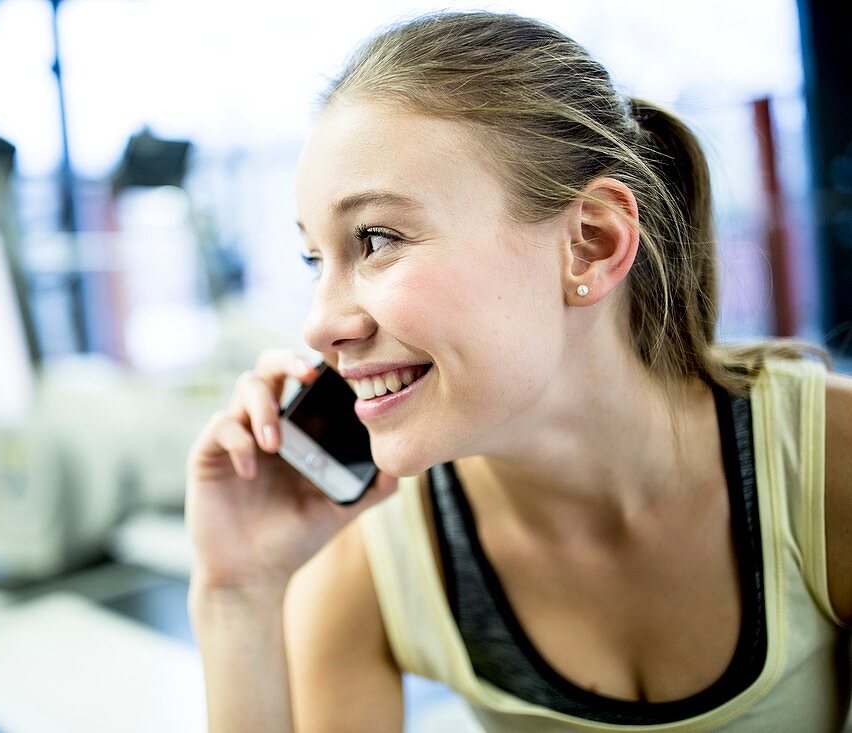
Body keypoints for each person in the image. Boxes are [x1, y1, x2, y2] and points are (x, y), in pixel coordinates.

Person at [184, 11, 852, 732]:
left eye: (376, 239)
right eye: (316, 259)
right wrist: (237, 595)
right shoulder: (366, 540)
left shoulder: (827, 468)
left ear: (590, 244)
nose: (320, 323)